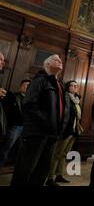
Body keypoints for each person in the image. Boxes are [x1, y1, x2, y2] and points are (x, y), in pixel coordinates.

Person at [11, 55, 71, 186]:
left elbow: (64, 109)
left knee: (42, 171)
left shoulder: (60, 84)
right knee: (25, 170)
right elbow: (29, 105)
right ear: (47, 65)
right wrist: (47, 123)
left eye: (61, 60)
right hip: (36, 133)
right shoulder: (40, 80)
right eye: (56, 60)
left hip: (52, 135)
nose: (60, 61)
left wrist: (60, 128)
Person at [46, 80, 83, 185]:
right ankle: (49, 178)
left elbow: (77, 116)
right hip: (65, 130)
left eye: (76, 86)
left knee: (64, 154)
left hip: (73, 131)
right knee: (57, 154)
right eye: (71, 85)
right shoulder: (65, 97)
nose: (74, 87)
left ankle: (59, 175)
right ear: (67, 87)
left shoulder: (76, 100)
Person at [0, 79, 30, 168]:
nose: (26, 87)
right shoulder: (13, 96)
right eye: (25, 85)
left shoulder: (32, 100)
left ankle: (14, 165)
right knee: (7, 146)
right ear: (21, 86)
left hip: (26, 127)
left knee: (21, 148)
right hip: (15, 126)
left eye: (28, 86)